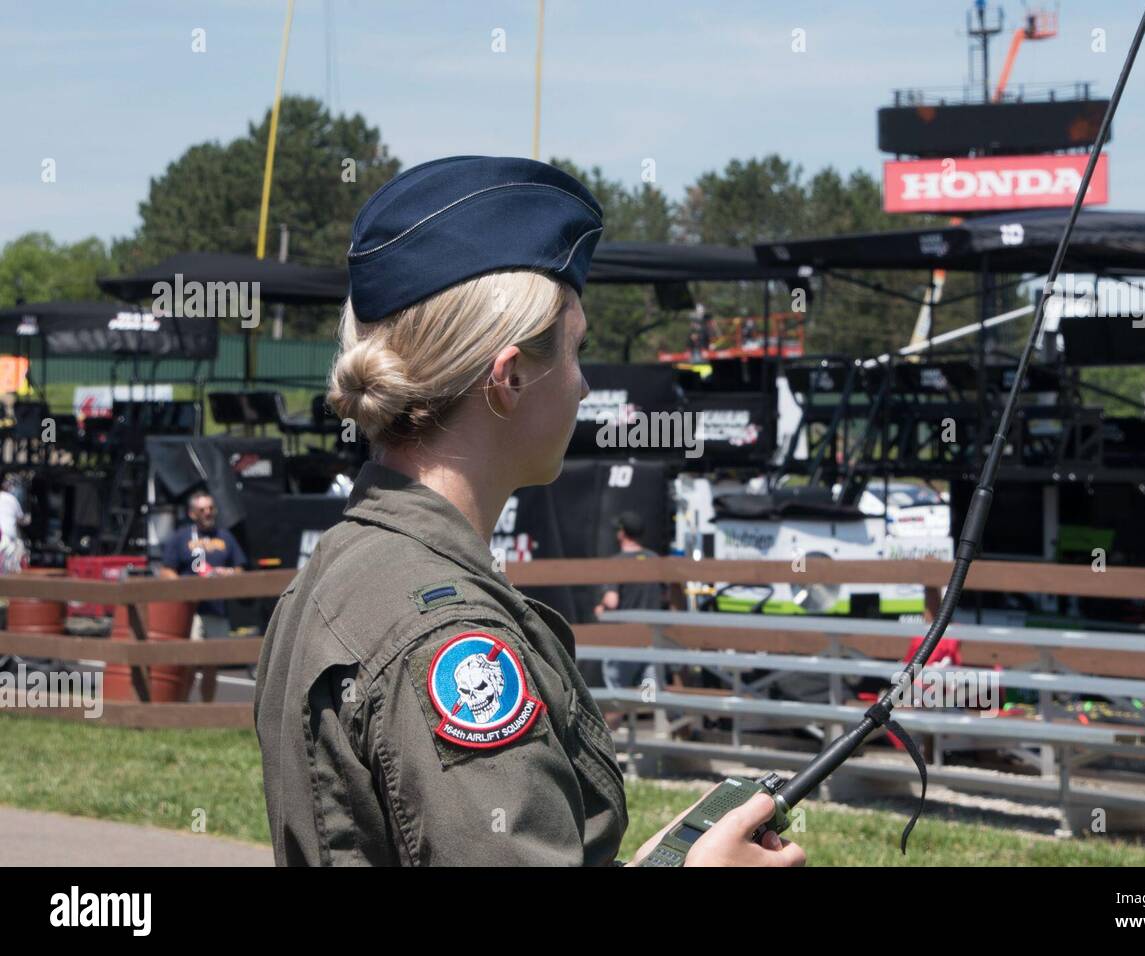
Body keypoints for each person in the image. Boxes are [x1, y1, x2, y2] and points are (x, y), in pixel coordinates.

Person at [253, 156, 804, 867]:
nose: (581, 386)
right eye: (576, 351)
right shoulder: (448, 640)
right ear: (509, 377)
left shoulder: (340, 566)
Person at [159, 490, 247, 702]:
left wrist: (229, 574)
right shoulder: (181, 537)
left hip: (217, 609)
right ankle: (182, 707)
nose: (208, 513)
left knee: (211, 663)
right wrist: (184, 588)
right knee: (189, 660)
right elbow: (166, 570)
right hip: (191, 610)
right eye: (202, 510)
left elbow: (240, 569)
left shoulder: (225, 537)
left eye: (210, 509)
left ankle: (206, 711)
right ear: (192, 514)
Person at [593, 510, 664, 693]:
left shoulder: (617, 563)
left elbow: (612, 602)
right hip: (652, 639)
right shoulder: (654, 559)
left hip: (625, 640)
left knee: (616, 696)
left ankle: (618, 722)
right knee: (650, 694)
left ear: (622, 533)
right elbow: (667, 596)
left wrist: (600, 608)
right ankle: (663, 720)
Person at [0, 475, 30, 574]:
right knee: (5, 570)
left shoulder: (11, 498)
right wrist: (28, 519)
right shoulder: (11, 499)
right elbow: (21, 519)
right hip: (6, 538)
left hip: (5, 537)